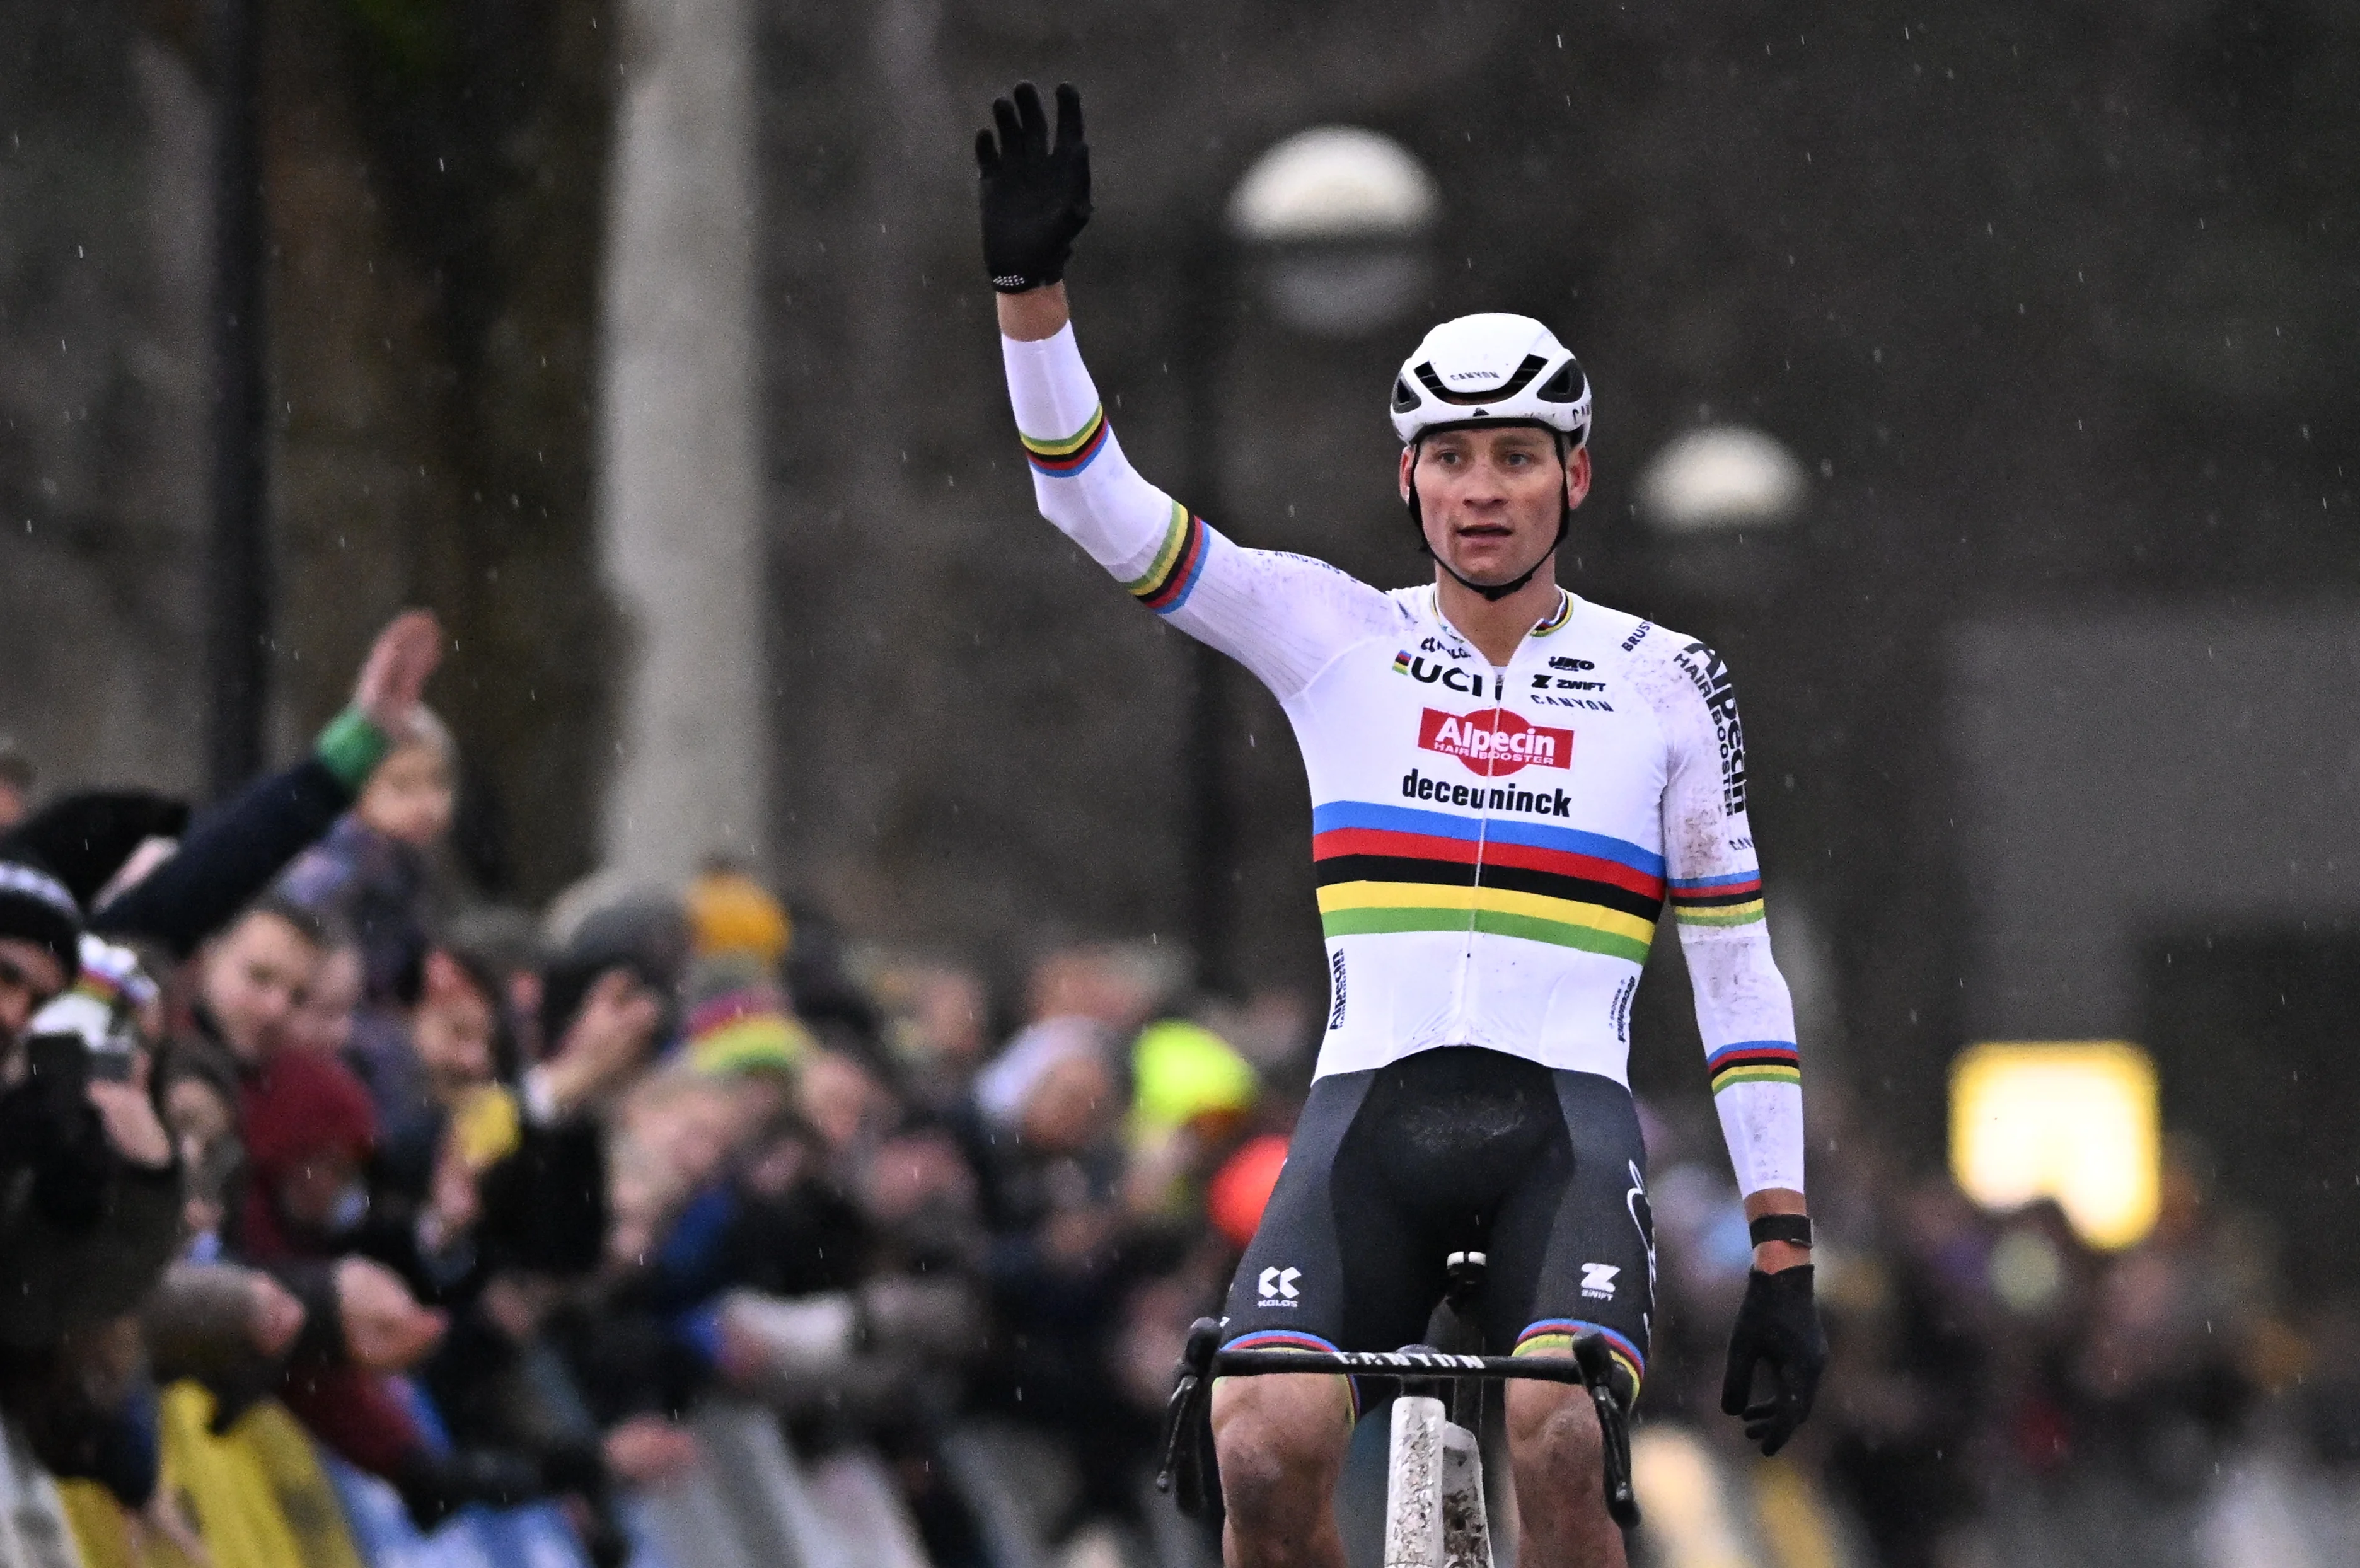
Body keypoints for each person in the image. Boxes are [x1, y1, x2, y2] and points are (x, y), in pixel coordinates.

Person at [973, 83, 1827, 1568]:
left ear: (1575, 473)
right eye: (1450, 459)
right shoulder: (1333, 634)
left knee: (1561, 1437)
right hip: (1369, 1111)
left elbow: (1737, 973)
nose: (1481, 491)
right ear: (1407, 477)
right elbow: (1091, 508)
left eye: (1514, 458)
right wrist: (1029, 299)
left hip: (1562, 1125)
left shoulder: (1669, 678)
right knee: (1259, 1439)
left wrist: (1782, 1241)